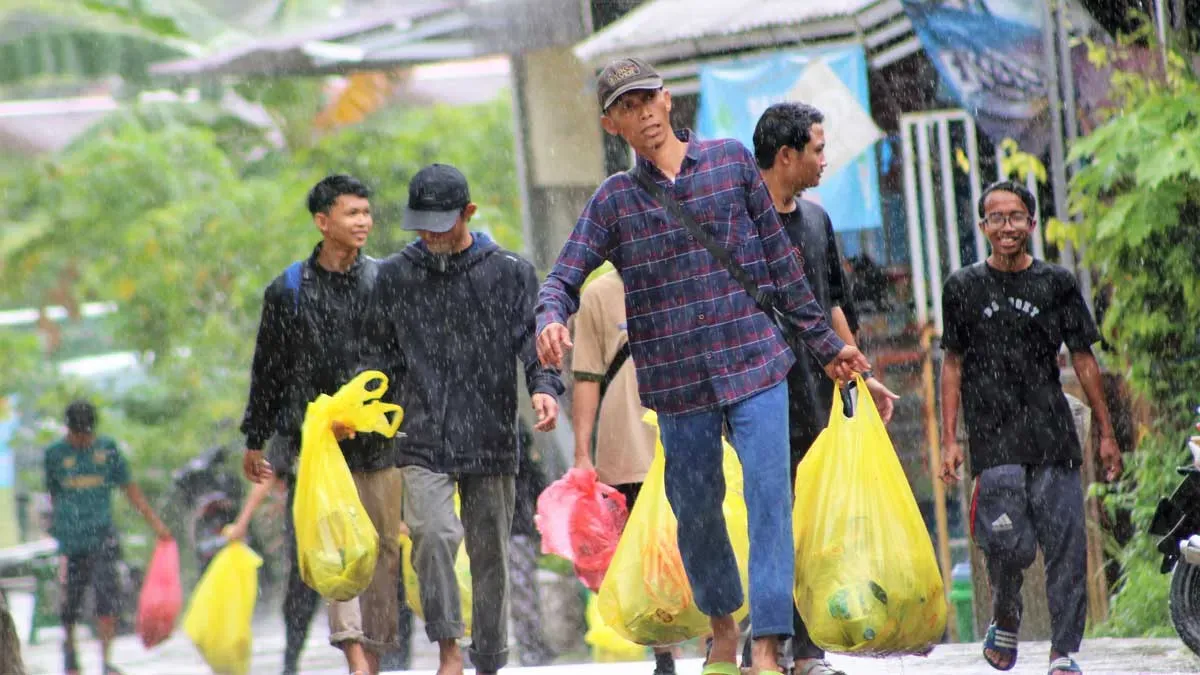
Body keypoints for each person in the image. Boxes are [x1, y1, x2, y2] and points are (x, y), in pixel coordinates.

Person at [535, 57, 870, 675]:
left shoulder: (730, 163)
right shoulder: (615, 201)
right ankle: (722, 621)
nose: (642, 116)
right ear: (614, 124)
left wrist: (827, 346)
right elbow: (562, 275)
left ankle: (767, 644)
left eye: (647, 101)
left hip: (754, 363)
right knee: (696, 509)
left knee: (772, 497)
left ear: (667, 100)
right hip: (678, 383)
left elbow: (779, 265)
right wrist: (550, 316)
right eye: (626, 109)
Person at [360, 163, 564, 675]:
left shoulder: (510, 271)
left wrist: (543, 389)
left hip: (491, 431)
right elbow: (376, 358)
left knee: (489, 552)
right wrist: (360, 412)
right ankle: (449, 647)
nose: (431, 235)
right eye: (422, 225)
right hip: (422, 433)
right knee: (430, 534)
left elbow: (532, 342)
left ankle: (489, 661)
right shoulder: (394, 276)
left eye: (442, 223)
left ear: (469, 213)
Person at [939, 180, 1123, 675]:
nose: (1006, 227)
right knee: (1006, 543)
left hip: (1051, 435)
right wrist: (948, 441)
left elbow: (1083, 359)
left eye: (1016, 216)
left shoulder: (1056, 283)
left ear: (1032, 224)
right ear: (982, 227)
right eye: (996, 218)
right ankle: (1006, 609)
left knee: (1066, 547)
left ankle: (1063, 652)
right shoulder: (963, 287)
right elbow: (951, 364)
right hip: (992, 438)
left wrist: (1106, 433)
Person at [749, 102, 901, 675]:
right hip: (753, 393)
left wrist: (860, 374)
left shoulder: (815, 221)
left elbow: (831, 302)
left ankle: (806, 649)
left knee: (812, 518)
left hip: (815, 393)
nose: (824, 159)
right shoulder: (740, 224)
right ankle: (762, 643)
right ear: (785, 155)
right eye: (816, 148)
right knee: (768, 515)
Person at [239, 174, 403, 675]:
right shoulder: (288, 290)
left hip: (377, 445)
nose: (363, 222)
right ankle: (354, 654)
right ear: (322, 221)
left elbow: (399, 362)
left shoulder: (386, 281)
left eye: (366, 213)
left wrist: (374, 416)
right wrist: (257, 435)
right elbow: (269, 368)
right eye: (351, 213)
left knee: (384, 552)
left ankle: (375, 653)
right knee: (331, 551)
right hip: (315, 448)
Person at [570, 267, 676, 674]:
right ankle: (663, 652)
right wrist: (583, 452)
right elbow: (586, 376)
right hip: (625, 438)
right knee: (644, 551)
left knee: (698, 537)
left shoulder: (682, 274)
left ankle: (715, 641)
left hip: (682, 428)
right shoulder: (598, 293)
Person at [44, 400, 172, 675]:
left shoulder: (107, 449)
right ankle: (70, 653)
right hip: (72, 540)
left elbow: (131, 488)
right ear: (68, 431)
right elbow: (52, 496)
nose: (83, 441)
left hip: (102, 537)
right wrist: (59, 529)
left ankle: (106, 661)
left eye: (87, 435)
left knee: (107, 599)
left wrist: (156, 525)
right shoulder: (54, 455)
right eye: (78, 435)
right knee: (71, 603)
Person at [509, 419, 556, 667]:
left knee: (522, 593)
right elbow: (540, 489)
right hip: (519, 530)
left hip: (513, 529)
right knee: (524, 593)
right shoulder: (527, 462)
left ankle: (530, 648)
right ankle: (531, 648)